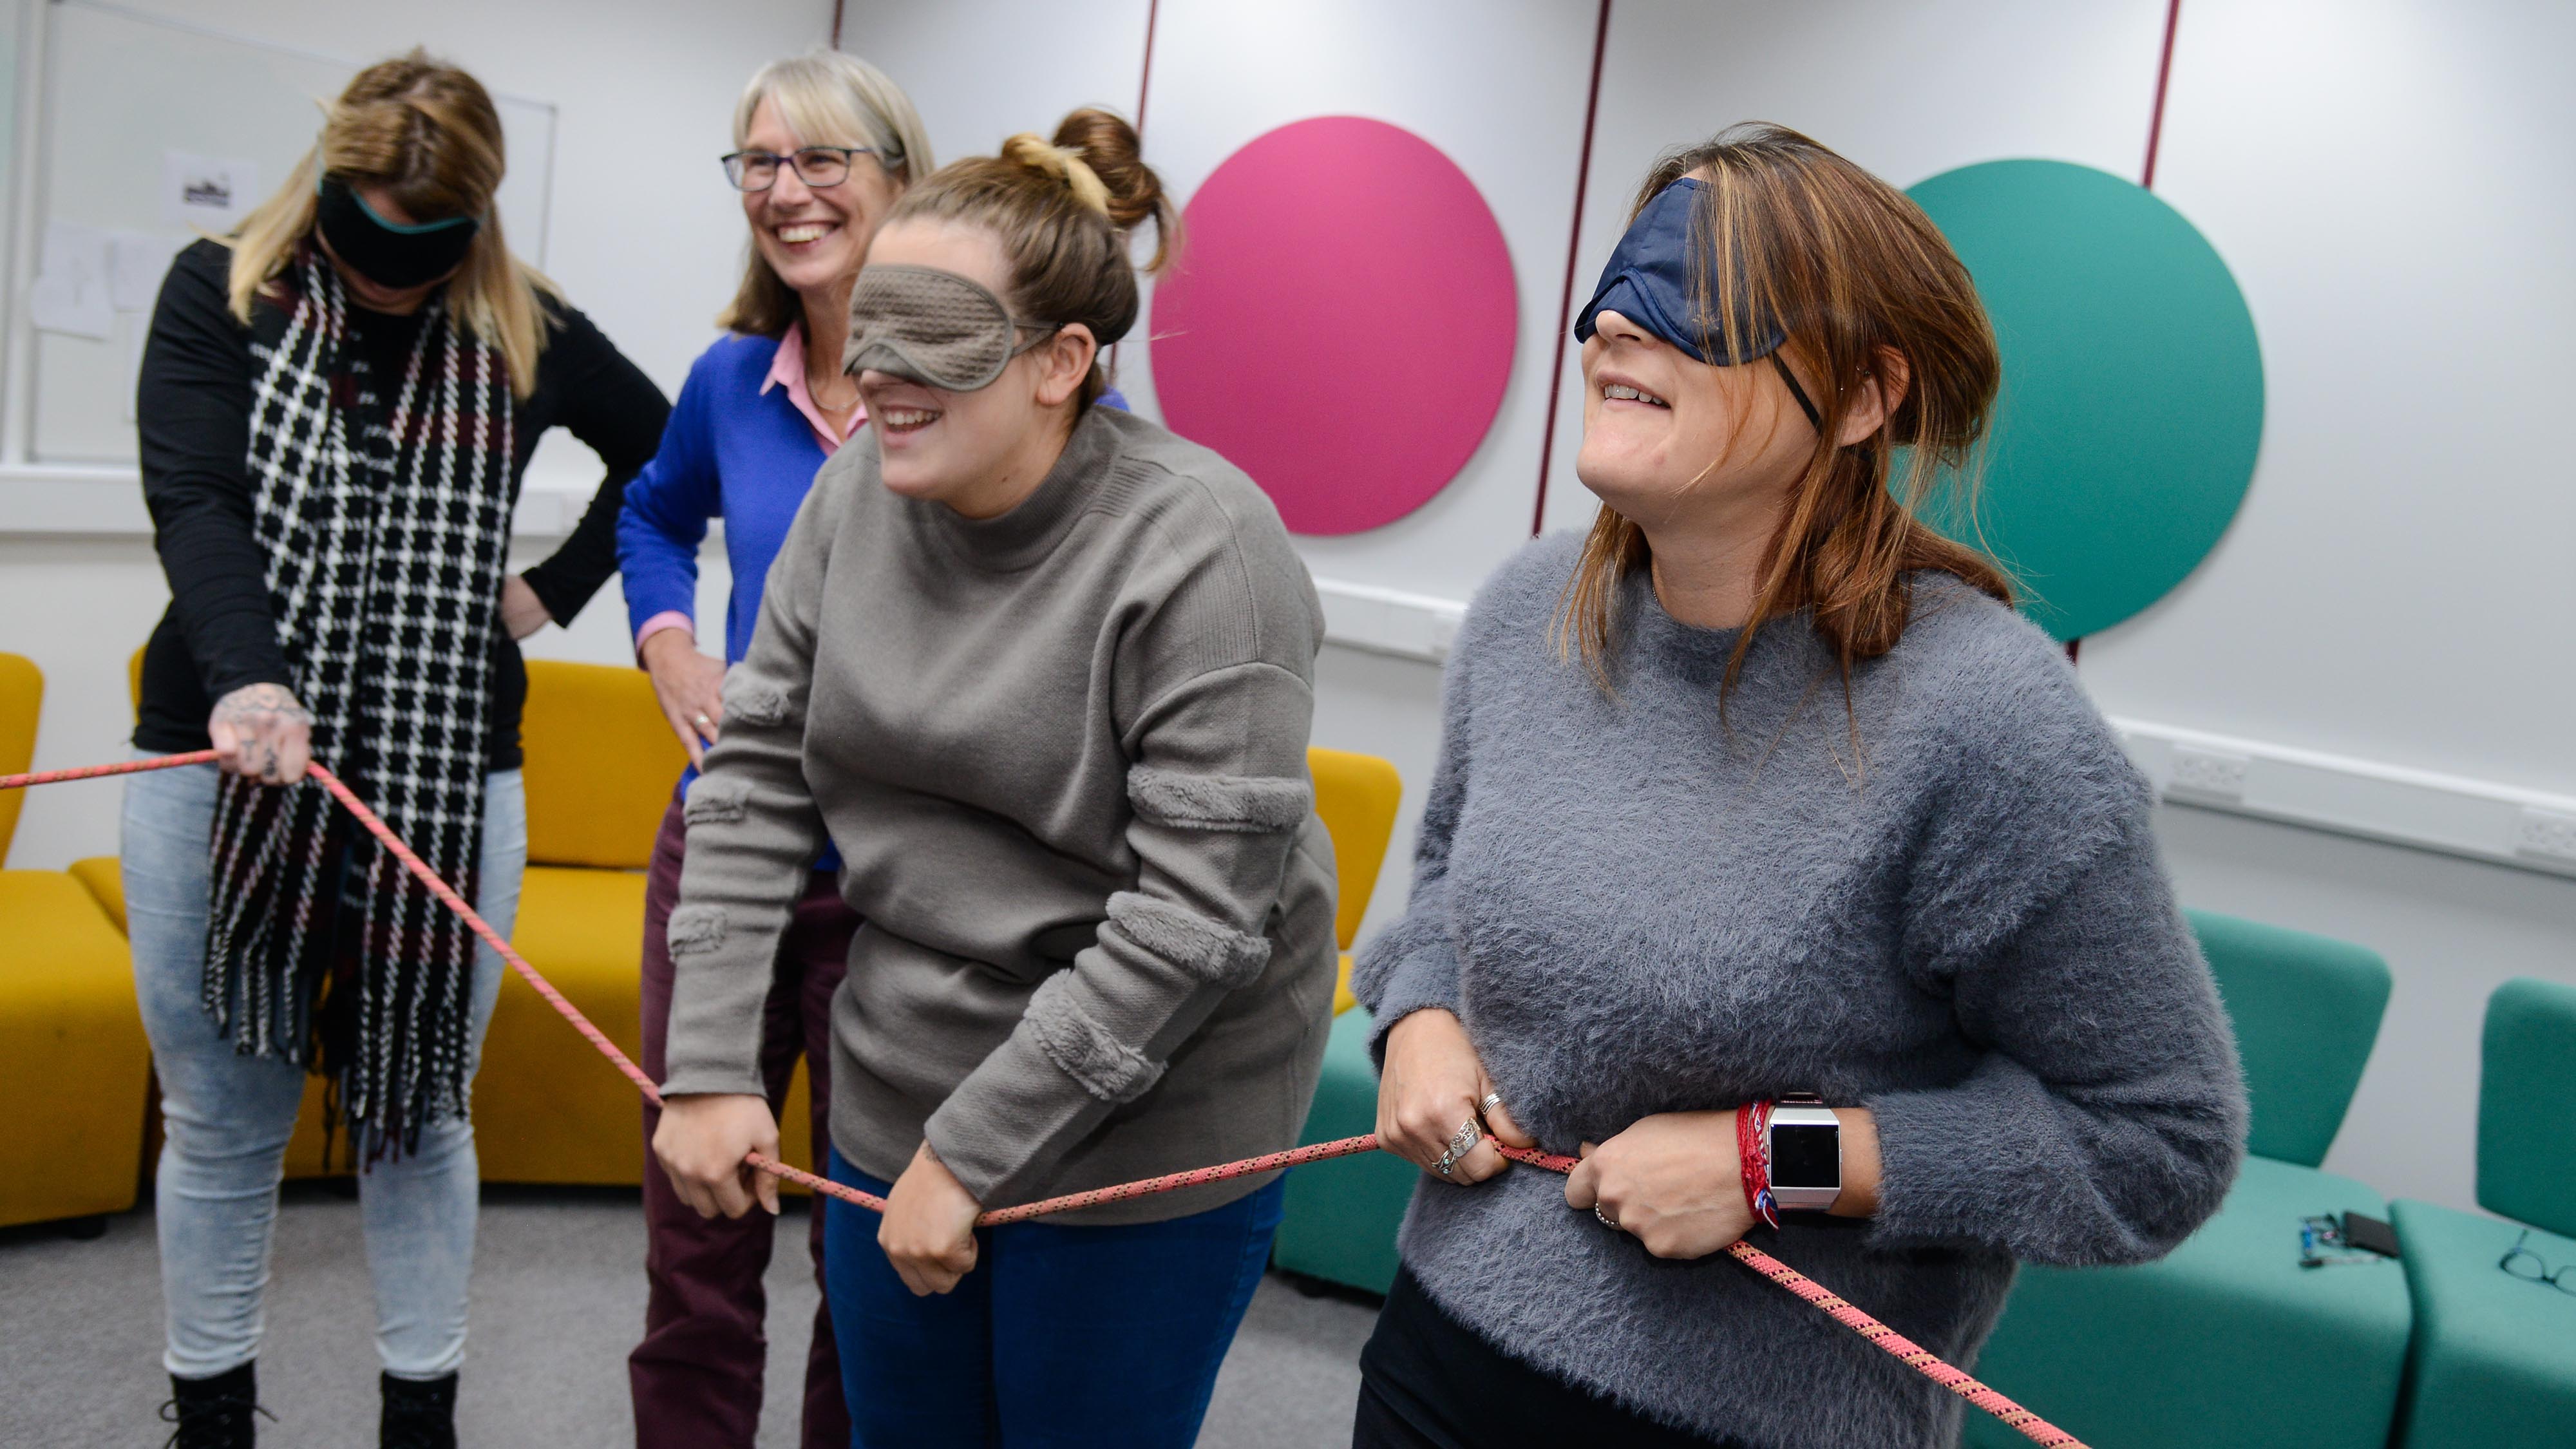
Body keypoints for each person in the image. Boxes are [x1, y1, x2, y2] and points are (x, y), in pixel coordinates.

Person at [1353, 124, 2248, 1449]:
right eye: (1614, 288)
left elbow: (2155, 1141)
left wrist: (1776, 1162)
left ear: (1859, 399)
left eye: (1693, 298)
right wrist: (1418, 1015)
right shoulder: (1524, 618)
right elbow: (1440, 891)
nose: (1612, 325)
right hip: (1438, 1354)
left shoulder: (1982, 722)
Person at [650, 109, 1338, 1449]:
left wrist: (969, 1155)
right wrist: (710, 1060)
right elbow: (755, 780)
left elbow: (1195, 921)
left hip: (1146, 1133)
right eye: (871, 322)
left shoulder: (1202, 548)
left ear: (1061, 362)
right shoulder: (859, 498)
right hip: (898, 1072)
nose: (882, 371)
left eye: (938, 331)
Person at [126, 50, 668, 1449]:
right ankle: (212, 1416)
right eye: (370, 242)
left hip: (445, 774)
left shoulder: (527, 328)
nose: (387, 280)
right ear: (325, 190)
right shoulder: (219, 290)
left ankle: (419, 1417)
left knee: (419, 1109)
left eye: (423, 255)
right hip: (219, 755)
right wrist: (250, 679)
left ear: (474, 226)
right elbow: (194, 499)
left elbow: (664, 458)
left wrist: (550, 591)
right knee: (224, 1120)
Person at [613, 50, 932, 1449]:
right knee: (695, 1248)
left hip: (899, 891)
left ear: (899, 180)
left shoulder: (987, 394)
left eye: (823, 160)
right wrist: (668, 641)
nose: (787, 192)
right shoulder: (730, 379)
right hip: (728, 857)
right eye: (758, 162)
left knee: (861, 1265)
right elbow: (647, 516)